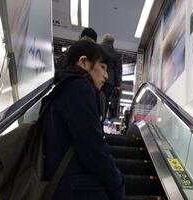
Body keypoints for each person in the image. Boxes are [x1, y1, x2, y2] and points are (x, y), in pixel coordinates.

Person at [42, 40, 124, 199]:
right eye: (103, 67)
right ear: (84, 62)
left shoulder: (63, 88)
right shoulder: (79, 88)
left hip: (65, 183)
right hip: (75, 187)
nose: (106, 76)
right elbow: (93, 146)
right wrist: (117, 184)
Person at [100, 34, 122, 119]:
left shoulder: (97, 49)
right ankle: (101, 123)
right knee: (104, 102)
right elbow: (118, 70)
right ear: (112, 43)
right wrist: (117, 85)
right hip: (109, 82)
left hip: (95, 77)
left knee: (93, 99)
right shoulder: (116, 54)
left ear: (103, 40)